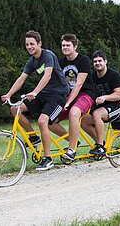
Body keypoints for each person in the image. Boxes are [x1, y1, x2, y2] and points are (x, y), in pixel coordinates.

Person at [1, 30, 69, 171]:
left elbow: (47, 75)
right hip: (43, 94)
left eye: (32, 44)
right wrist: (8, 94)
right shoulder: (32, 61)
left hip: (57, 95)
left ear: (39, 43)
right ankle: (33, 137)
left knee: (42, 121)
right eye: (27, 44)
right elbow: (21, 79)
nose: (29, 47)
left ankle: (48, 158)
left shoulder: (48, 55)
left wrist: (35, 91)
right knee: (15, 109)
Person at [48, 34, 96, 162]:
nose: (65, 47)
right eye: (63, 45)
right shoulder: (61, 62)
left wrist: (68, 102)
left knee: (74, 113)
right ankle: (73, 140)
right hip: (68, 96)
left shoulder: (83, 60)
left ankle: (71, 150)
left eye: (68, 45)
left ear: (75, 46)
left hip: (85, 94)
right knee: (49, 121)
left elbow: (79, 84)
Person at [81, 50, 120, 157]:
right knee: (84, 121)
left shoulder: (114, 75)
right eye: (95, 61)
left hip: (118, 105)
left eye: (100, 61)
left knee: (97, 114)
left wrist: (104, 97)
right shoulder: (92, 77)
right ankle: (101, 143)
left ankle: (100, 146)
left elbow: (118, 95)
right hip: (101, 107)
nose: (97, 63)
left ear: (105, 61)